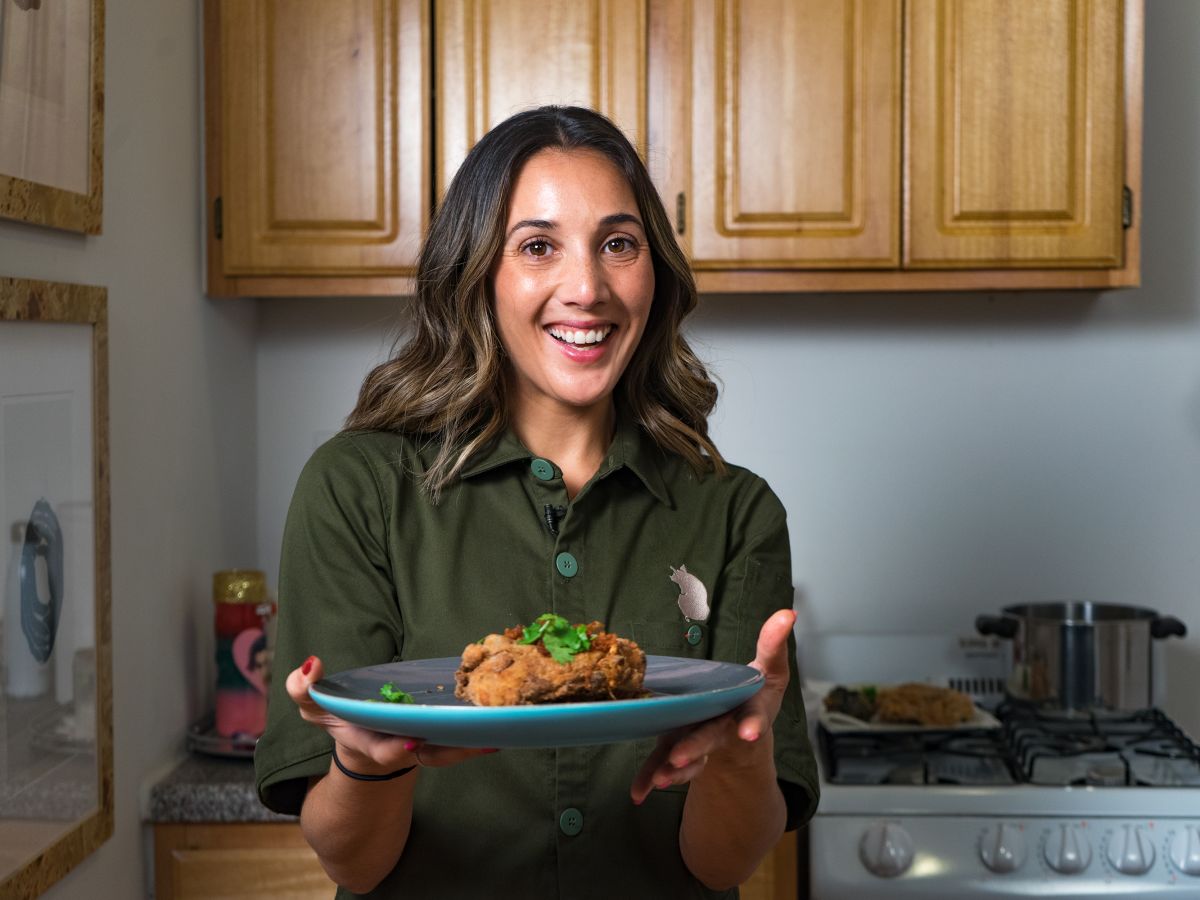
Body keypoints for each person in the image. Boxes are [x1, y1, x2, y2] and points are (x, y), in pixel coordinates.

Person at [254, 105, 819, 899]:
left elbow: (722, 865)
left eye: (618, 244)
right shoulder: (358, 490)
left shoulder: (735, 512)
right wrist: (362, 764)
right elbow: (354, 862)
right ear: (478, 273)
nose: (585, 289)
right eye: (538, 247)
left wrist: (744, 754)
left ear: (654, 270)